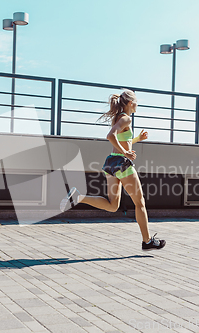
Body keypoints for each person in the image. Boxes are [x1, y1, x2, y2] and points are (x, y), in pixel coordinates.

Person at [60, 89, 166, 250]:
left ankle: (78, 197)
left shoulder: (119, 118)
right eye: (136, 102)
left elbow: (123, 142)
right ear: (131, 103)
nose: (137, 105)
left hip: (111, 164)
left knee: (112, 205)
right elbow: (110, 136)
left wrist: (137, 139)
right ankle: (147, 241)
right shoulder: (126, 118)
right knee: (140, 203)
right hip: (122, 164)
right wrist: (126, 154)